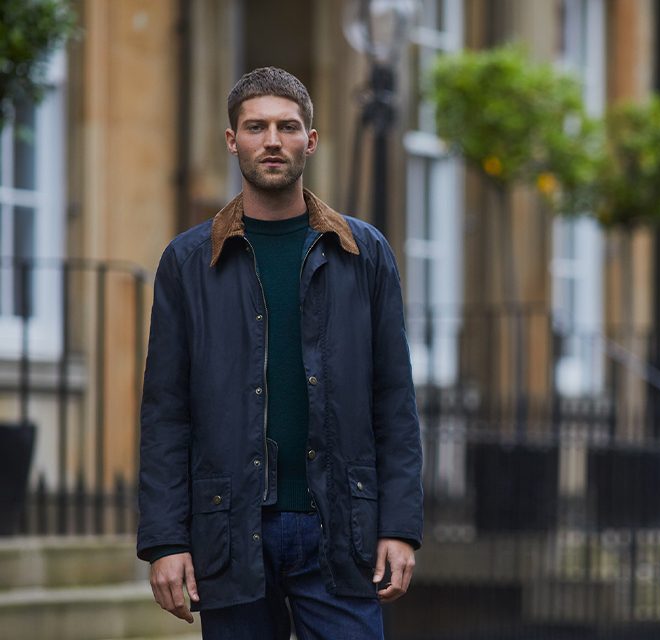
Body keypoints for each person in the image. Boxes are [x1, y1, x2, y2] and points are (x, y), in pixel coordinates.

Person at [136, 66, 423, 640]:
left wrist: (400, 527)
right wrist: (166, 542)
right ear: (232, 140)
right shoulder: (188, 262)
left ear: (310, 141)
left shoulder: (362, 253)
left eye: (288, 127)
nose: (272, 140)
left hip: (342, 528)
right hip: (231, 530)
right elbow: (166, 411)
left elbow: (395, 400)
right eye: (256, 127)